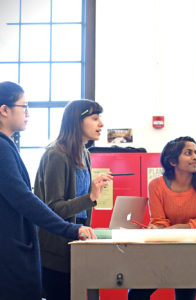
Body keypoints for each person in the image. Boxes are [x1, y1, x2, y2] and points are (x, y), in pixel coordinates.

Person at [0, 81, 97, 300]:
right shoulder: (2, 147)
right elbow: (24, 199)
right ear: (4, 110)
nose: (28, 113)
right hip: (14, 251)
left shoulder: (7, 145)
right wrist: (69, 229)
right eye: (23, 107)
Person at [34, 99, 112, 300]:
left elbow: (81, 209)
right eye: (95, 118)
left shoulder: (85, 154)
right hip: (56, 253)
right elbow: (53, 209)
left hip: (76, 246)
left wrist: (91, 194)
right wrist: (91, 197)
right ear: (77, 122)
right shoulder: (56, 155)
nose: (101, 124)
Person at [128, 136, 196, 300]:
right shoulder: (156, 185)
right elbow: (159, 222)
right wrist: (158, 228)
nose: (195, 157)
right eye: (188, 153)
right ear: (172, 161)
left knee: (185, 295)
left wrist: (174, 229)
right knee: (136, 294)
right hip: (164, 251)